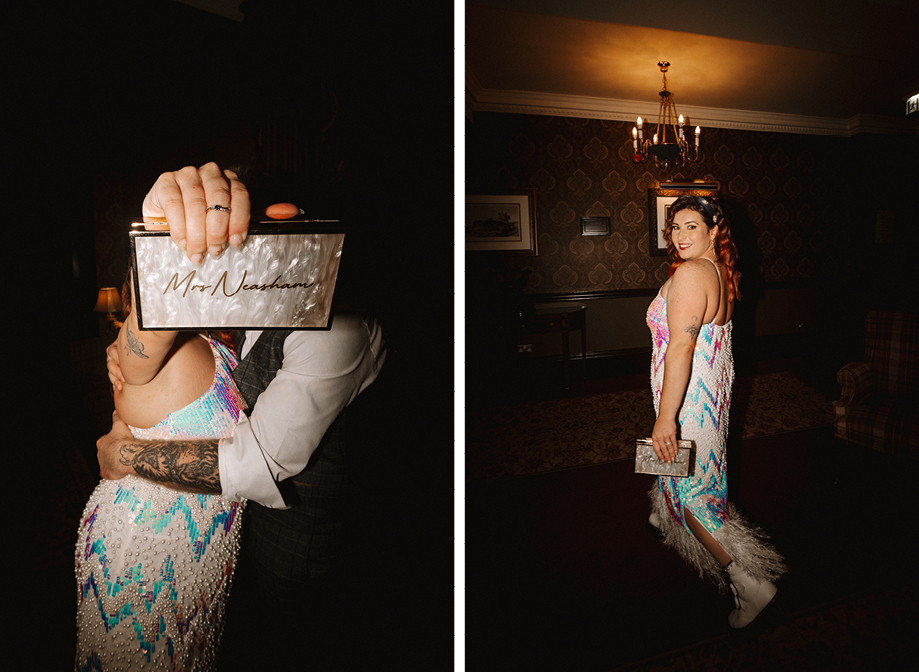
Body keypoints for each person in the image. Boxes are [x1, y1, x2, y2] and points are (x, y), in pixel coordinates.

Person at [96, 162, 387, 667]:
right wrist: (164, 234)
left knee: (300, 643)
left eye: (297, 235)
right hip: (197, 538)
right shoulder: (230, 313)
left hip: (303, 543)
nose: (270, 256)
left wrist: (127, 453)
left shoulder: (344, 328)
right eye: (256, 237)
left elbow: (256, 465)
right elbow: (153, 339)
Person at [75, 269, 249, 670]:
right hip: (143, 554)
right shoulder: (139, 351)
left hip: (202, 558)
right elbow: (147, 334)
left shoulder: (210, 341)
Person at [645, 194, 786, 628]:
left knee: (692, 495)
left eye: (692, 226)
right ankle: (660, 505)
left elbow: (683, 347)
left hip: (688, 401)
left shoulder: (691, 274)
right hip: (705, 394)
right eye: (676, 227)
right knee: (690, 472)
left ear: (713, 229)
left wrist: (667, 417)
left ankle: (748, 583)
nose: (681, 235)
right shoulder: (717, 271)